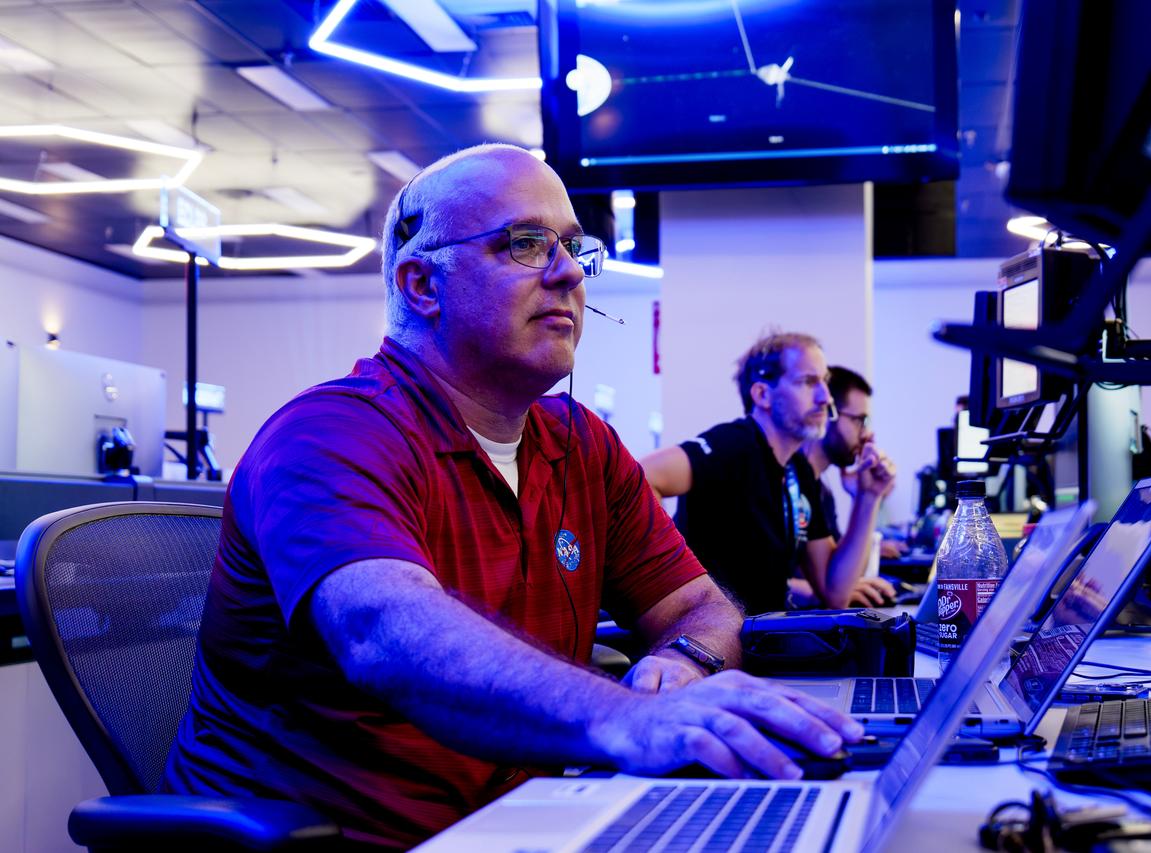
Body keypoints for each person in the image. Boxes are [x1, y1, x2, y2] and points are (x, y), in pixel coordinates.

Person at [162, 145, 862, 850]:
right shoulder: (330, 435)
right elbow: (384, 631)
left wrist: (685, 665)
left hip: (525, 823)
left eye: (573, 248)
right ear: (421, 286)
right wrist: (623, 719)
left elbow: (700, 609)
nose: (566, 273)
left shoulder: (581, 444)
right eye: (526, 244)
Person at [641, 334, 896, 616]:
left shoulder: (798, 471)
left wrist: (868, 496)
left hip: (761, 639)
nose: (825, 397)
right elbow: (644, 475)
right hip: (714, 639)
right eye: (808, 382)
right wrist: (671, 587)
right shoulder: (735, 445)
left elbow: (835, 591)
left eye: (823, 381)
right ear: (763, 394)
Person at [790, 366, 900, 607]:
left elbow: (845, 576)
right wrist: (810, 591)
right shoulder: (785, 481)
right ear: (827, 414)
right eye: (860, 420)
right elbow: (746, 576)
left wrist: (867, 495)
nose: (867, 434)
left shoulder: (820, 491)